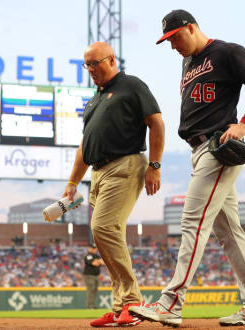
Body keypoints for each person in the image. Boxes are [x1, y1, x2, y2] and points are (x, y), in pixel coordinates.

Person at [130, 9, 245, 327]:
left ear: (191, 28)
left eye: (174, 38)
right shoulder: (188, 63)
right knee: (229, 233)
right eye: (167, 41)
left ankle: (171, 303)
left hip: (218, 148)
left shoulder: (226, 51)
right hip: (197, 150)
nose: (172, 46)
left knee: (192, 223)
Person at [63, 41, 165, 327]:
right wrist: (73, 181)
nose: (91, 69)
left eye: (95, 63)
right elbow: (86, 145)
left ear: (111, 60)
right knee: (108, 237)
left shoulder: (131, 85)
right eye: (87, 65)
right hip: (98, 172)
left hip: (125, 164)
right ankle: (121, 306)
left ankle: (132, 302)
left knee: (102, 227)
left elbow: (156, 123)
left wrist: (155, 165)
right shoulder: (94, 100)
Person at [83, 243, 105, 309]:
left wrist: (98, 261)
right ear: (90, 248)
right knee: (91, 290)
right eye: (93, 248)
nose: (95, 249)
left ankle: (92, 304)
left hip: (96, 276)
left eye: (95, 248)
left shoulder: (96, 256)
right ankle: (89, 305)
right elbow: (94, 263)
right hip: (89, 276)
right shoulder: (88, 255)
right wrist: (98, 261)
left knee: (95, 290)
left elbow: (103, 263)